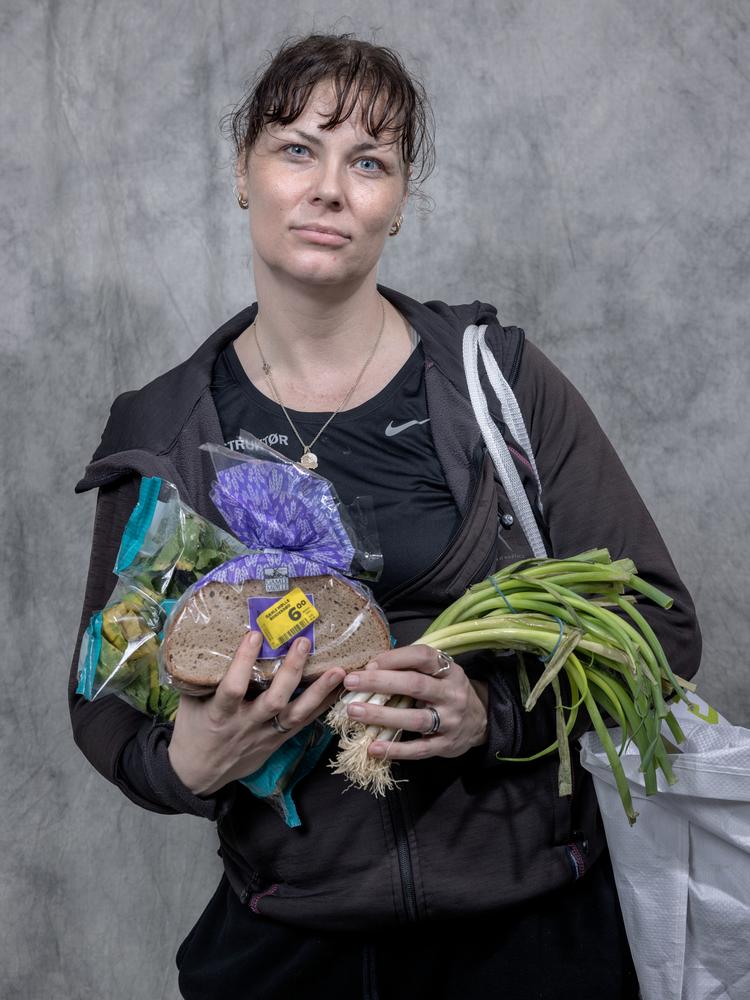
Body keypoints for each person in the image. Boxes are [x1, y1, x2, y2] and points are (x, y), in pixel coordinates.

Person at [69, 32, 701, 1000]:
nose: (329, 189)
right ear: (243, 174)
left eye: (369, 162)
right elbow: (104, 699)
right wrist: (185, 763)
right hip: (288, 947)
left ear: (398, 201)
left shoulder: (494, 381)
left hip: (531, 937)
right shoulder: (163, 427)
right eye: (297, 149)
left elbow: (660, 627)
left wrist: (490, 716)